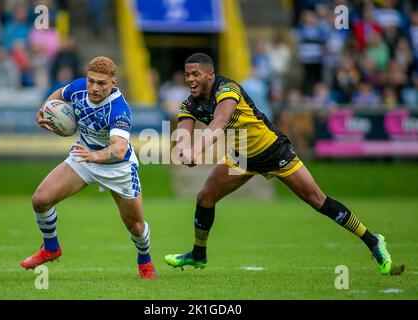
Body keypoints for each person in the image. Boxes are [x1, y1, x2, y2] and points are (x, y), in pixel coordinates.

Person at [164, 53, 404, 276]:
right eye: (187, 75)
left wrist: (197, 150)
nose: (190, 79)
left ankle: (373, 241)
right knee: (205, 197)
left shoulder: (227, 89)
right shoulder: (189, 104)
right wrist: (184, 151)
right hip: (242, 156)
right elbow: (183, 132)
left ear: (210, 74)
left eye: (195, 74)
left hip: (273, 150)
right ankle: (198, 255)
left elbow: (221, 120)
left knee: (318, 200)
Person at [20, 56, 157, 279]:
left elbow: (120, 149)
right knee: (40, 200)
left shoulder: (119, 109)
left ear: (114, 83)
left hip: (118, 169)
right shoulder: (78, 88)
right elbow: (59, 95)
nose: (94, 88)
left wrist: (95, 156)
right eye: (91, 81)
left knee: (136, 227)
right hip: (84, 157)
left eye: (101, 83)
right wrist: (44, 110)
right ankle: (51, 248)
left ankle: (145, 261)